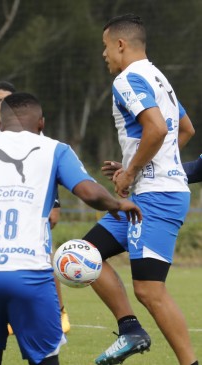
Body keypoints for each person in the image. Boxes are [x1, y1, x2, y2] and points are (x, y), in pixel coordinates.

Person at [0, 92, 142, 365]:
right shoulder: (56, 149)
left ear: (1, 122)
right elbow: (89, 193)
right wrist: (117, 203)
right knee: (44, 359)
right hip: (30, 271)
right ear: (41, 123)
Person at [82, 14, 198, 365]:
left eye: (105, 47)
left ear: (120, 45)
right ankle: (130, 329)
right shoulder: (159, 77)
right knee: (85, 254)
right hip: (147, 193)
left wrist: (132, 171)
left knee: (150, 289)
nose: (104, 54)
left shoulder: (128, 78)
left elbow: (158, 129)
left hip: (156, 198)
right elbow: (186, 129)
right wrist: (145, 167)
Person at [0, 81, 70, 335]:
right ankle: (4, 315)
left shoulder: (33, 134)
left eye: (8, 99)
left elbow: (49, 170)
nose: (2, 104)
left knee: (42, 257)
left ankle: (59, 311)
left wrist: (55, 204)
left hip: (29, 208)